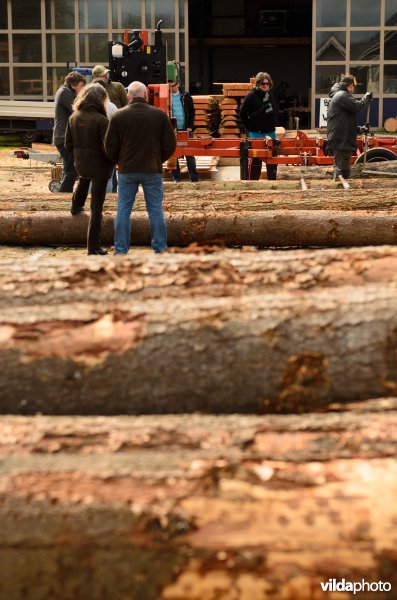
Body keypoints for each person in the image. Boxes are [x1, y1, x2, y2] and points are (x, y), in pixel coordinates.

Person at [104, 81, 176, 255]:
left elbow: (109, 145)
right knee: (155, 210)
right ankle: (160, 248)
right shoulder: (159, 115)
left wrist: (118, 161)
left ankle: (121, 250)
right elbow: (170, 144)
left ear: (128, 96)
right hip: (152, 169)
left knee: (123, 210)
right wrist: (159, 159)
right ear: (145, 95)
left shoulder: (118, 116)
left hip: (127, 169)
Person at [65, 83, 114, 255]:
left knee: (83, 180)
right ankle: (92, 247)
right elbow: (108, 147)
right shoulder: (102, 120)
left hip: (81, 163)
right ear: (101, 100)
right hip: (100, 167)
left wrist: (80, 154)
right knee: (96, 208)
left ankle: (75, 206)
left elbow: (67, 144)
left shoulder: (74, 117)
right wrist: (112, 160)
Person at [327, 74, 373, 180]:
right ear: (350, 85)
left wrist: (359, 129)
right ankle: (337, 192)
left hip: (342, 138)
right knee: (341, 171)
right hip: (340, 139)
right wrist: (366, 98)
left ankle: (342, 191)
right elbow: (357, 106)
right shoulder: (342, 95)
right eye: (353, 87)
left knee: (344, 170)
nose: (353, 90)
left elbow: (344, 121)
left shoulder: (340, 95)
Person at [239, 71, 279, 180]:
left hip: (270, 132)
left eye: (267, 84)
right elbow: (242, 114)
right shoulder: (251, 96)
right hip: (256, 133)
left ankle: (273, 183)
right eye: (262, 84)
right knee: (256, 159)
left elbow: (275, 111)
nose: (265, 86)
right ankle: (253, 183)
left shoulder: (270, 95)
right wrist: (250, 127)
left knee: (272, 159)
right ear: (258, 84)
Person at [53, 71, 86, 192]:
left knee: (69, 169)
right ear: (73, 85)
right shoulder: (65, 93)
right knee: (71, 170)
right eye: (81, 85)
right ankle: (64, 194)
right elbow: (76, 111)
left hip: (63, 137)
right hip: (63, 137)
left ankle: (63, 193)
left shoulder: (64, 91)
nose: (83, 88)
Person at [169, 79, 199, 182]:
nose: (170, 88)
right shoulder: (166, 97)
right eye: (168, 86)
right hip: (172, 130)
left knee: (189, 154)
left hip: (186, 129)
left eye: (172, 85)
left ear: (177, 84)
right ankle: (176, 178)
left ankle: (194, 178)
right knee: (173, 155)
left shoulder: (185, 96)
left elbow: (192, 111)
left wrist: (190, 126)